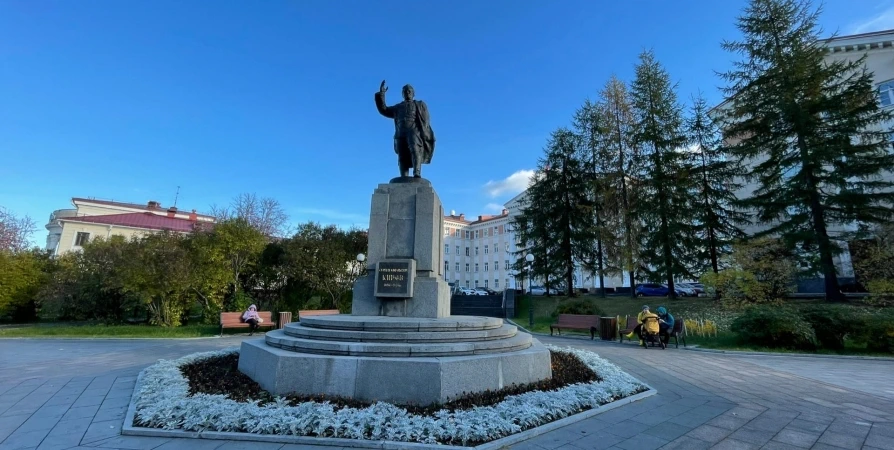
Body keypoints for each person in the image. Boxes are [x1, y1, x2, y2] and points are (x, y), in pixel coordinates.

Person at [374, 81, 436, 178]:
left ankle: (417, 172)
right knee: (402, 154)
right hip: (400, 132)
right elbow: (384, 110)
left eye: (409, 91)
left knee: (415, 150)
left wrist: (424, 132)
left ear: (413, 93)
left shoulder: (419, 104)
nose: (407, 92)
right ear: (402, 94)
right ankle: (404, 176)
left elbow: (426, 119)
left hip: (414, 131)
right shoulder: (398, 107)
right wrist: (381, 95)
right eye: (405, 91)